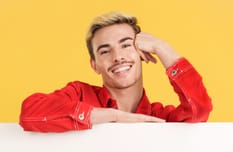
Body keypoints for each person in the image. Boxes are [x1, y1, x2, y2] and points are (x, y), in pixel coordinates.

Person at [19, 12, 212, 132]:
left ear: (142, 53)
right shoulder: (79, 94)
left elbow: (199, 112)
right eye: (105, 51)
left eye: (126, 45)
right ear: (94, 65)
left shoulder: (158, 117)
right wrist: (113, 116)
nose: (117, 57)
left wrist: (163, 49)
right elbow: (30, 112)